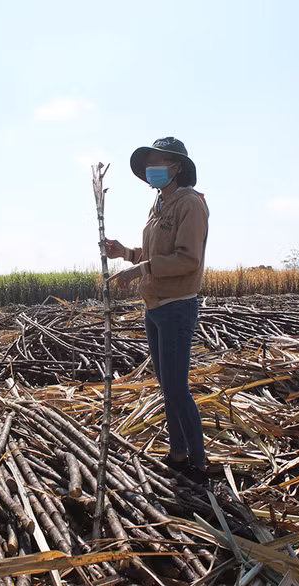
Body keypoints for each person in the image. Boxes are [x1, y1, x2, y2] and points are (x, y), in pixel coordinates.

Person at [105, 137, 210, 481]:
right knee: (167, 385)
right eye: (150, 161)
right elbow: (153, 254)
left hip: (177, 307)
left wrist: (142, 268)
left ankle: (199, 462)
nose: (153, 167)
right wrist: (126, 252)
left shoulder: (190, 204)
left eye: (160, 161)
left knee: (178, 388)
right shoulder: (159, 203)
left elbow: (187, 259)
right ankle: (177, 452)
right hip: (154, 308)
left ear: (177, 166)